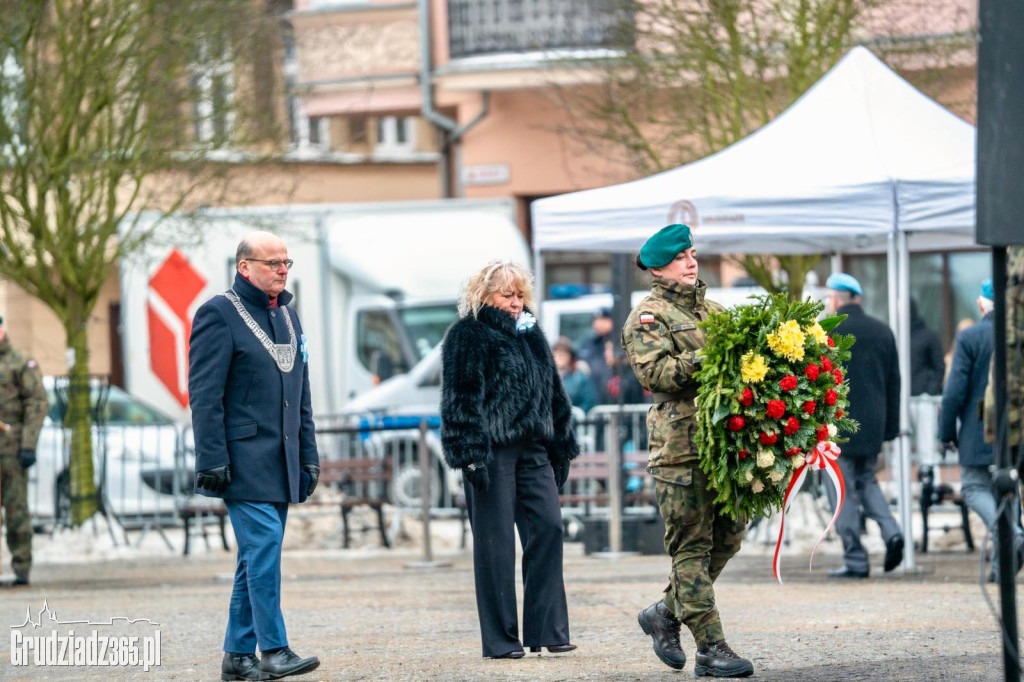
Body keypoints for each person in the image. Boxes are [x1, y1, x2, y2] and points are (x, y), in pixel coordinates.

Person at [621, 224, 752, 678]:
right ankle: (712, 648)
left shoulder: (715, 311)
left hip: (722, 447)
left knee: (730, 536)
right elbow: (657, 374)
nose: (691, 262)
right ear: (658, 267)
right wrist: (713, 356)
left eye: (693, 254)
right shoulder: (647, 317)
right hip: (679, 448)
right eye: (680, 257)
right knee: (691, 548)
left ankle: (664, 612)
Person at [188, 231, 321, 681]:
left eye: (286, 263)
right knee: (263, 549)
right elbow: (205, 396)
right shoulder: (218, 314)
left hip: (281, 458)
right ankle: (274, 648)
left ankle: (237, 657)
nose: (282, 270)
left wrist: (309, 454)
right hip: (240, 459)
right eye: (272, 263)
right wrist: (211, 458)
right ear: (245, 267)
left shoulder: (287, 314)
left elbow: (301, 394)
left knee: (254, 558)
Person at [440, 260, 579, 660]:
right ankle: (502, 640)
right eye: (507, 294)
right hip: (491, 452)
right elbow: (460, 399)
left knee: (549, 528)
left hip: (534, 448)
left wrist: (562, 444)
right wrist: (469, 455)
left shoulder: (531, 332)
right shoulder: (468, 335)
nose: (516, 302)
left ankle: (548, 629)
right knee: (496, 545)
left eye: (520, 294)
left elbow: (554, 391)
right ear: (484, 296)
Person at [940, 278, 1024, 581]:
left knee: (974, 488)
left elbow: (955, 392)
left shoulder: (971, 337)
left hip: (979, 429)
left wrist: (945, 432)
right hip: (1017, 429)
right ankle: (1001, 569)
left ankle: (1012, 535)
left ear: (980, 305)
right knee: (1008, 491)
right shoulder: (1018, 334)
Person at [823, 273, 904, 579]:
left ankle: (855, 559)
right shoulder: (883, 331)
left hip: (837, 425)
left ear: (835, 299)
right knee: (867, 480)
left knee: (841, 490)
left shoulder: (827, 330)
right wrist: (891, 427)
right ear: (857, 297)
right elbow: (895, 381)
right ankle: (891, 531)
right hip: (873, 424)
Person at [0, 315, 48, 588]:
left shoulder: (20, 361)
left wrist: (28, 444)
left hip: (11, 447)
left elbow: (37, 402)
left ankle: (21, 568)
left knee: (16, 508)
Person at [552, 336, 598, 416]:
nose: (560, 355)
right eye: (557, 351)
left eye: (564, 352)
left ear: (570, 356)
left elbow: (588, 402)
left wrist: (573, 415)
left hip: (574, 423)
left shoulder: (580, 377)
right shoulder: (545, 377)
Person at [578, 308, 615, 404]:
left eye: (603, 320)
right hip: (592, 396)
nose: (599, 323)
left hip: (612, 397)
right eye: (596, 320)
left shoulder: (618, 342)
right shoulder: (588, 343)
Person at [909, 299, 944, 397]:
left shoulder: (928, 337)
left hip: (923, 399)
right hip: (902, 396)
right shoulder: (896, 337)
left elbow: (939, 367)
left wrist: (930, 392)